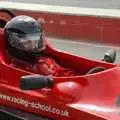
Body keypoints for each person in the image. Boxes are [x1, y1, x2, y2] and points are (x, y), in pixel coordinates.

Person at [4, 15, 77, 77]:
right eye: (28, 42)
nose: (34, 45)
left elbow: (64, 73)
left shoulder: (46, 60)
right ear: (14, 42)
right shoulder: (15, 69)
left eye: (36, 41)